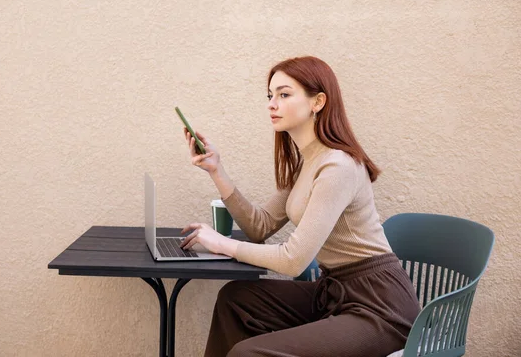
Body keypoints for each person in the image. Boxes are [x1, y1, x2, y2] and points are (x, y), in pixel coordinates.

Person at [179, 56, 420, 357]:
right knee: (236, 298)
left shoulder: (337, 167)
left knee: (249, 353)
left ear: (317, 101)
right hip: (333, 292)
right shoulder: (306, 164)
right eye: (270, 96)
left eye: (284, 94)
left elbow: (294, 260)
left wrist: (222, 244)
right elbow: (259, 227)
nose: (271, 104)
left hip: (380, 309)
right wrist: (217, 170)